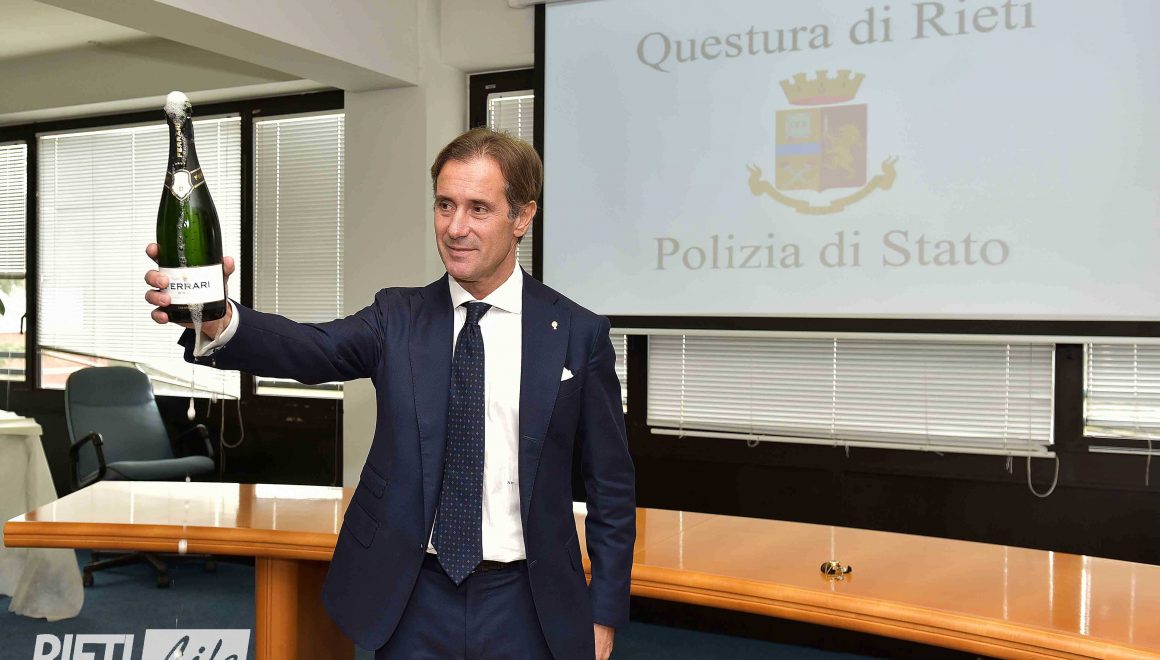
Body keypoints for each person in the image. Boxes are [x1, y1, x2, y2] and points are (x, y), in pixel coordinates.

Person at [144, 128, 636, 660]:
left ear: (522, 217)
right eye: (445, 205)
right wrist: (219, 319)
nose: (455, 227)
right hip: (412, 597)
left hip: (527, 601)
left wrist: (604, 611)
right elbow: (312, 349)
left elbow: (610, 483)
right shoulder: (396, 317)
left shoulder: (577, 333)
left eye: (478, 209)